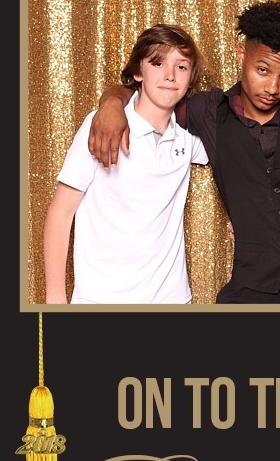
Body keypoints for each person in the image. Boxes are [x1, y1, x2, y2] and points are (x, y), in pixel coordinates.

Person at [88, 0, 280, 304]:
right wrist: (112, 104)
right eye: (262, 70)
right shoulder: (209, 111)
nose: (272, 87)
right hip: (253, 285)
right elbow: (148, 92)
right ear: (241, 55)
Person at [43, 25, 208, 304]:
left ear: (191, 79)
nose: (170, 75)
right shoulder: (101, 126)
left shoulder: (189, 135)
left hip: (173, 300)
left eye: (181, 67)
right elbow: (61, 213)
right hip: (101, 300)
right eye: (158, 63)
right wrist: (55, 299)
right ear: (138, 72)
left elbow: (244, 146)